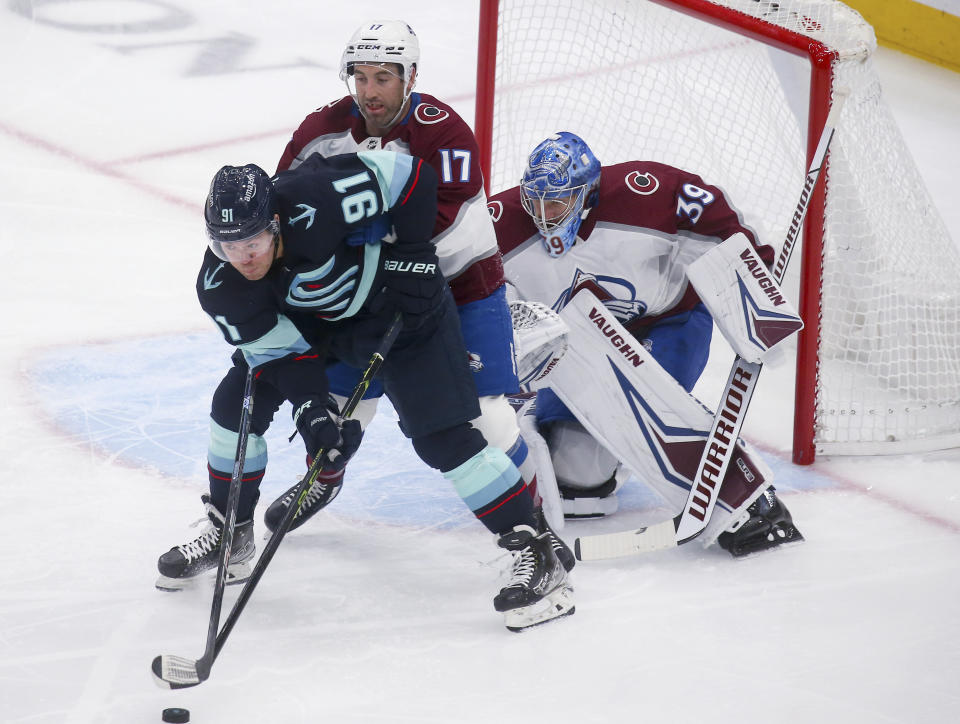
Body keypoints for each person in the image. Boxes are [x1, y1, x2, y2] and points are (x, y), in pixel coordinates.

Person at [155, 151, 573, 630]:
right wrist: (313, 412)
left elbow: (411, 175)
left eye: (252, 240)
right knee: (234, 406)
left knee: (444, 439)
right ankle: (232, 534)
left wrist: (415, 251)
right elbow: (285, 357)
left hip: (402, 311)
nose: (243, 257)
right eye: (227, 245)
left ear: (276, 223)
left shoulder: (317, 199)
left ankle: (537, 550)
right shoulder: (220, 286)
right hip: (318, 332)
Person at [264, 20, 550, 554]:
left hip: (463, 290)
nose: (369, 92)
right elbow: (284, 203)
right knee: (338, 404)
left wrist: (345, 236)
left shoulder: (443, 132)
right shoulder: (322, 129)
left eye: (383, 79)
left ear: (410, 77)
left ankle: (532, 523)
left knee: (485, 416)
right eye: (361, 77)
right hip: (367, 296)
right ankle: (321, 482)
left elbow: (447, 219)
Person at [488, 131, 803, 556]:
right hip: (578, 344)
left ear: (588, 193)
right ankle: (620, 448)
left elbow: (727, 233)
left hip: (668, 324)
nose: (543, 215)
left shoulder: (649, 193)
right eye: (535, 201)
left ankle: (750, 503)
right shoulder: (500, 225)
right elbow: (463, 294)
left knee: (649, 402)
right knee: (580, 486)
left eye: (557, 201)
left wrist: (756, 301)